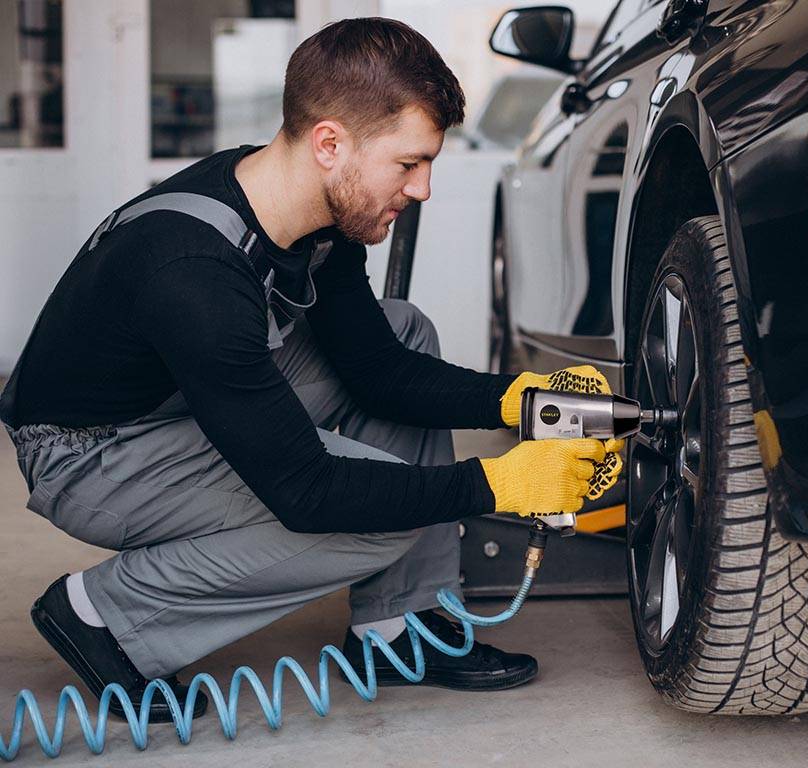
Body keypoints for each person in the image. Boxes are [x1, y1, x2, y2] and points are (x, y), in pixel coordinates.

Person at [0, 17, 622, 722]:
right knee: (381, 516)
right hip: (91, 454)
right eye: (409, 164)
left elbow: (380, 370)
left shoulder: (311, 214)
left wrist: (523, 398)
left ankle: (397, 626)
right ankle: (109, 614)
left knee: (401, 328)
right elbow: (305, 490)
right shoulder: (194, 271)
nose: (421, 190)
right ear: (331, 144)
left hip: (171, 401)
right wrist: (498, 483)